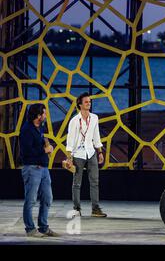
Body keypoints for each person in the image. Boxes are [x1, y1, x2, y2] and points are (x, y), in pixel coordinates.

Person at [19, 104, 59, 237]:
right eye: (44, 113)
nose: (46, 116)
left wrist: (48, 147)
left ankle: (43, 227)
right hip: (32, 168)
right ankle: (30, 229)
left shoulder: (39, 128)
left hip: (44, 170)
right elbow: (26, 152)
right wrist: (44, 150)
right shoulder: (26, 130)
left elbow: (41, 145)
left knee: (48, 198)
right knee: (30, 200)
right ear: (38, 116)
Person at [66, 93, 107, 217]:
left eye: (89, 102)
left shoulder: (94, 118)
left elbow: (96, 136)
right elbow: (70, 140)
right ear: (80, 105)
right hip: (78, 153)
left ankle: (95, 208)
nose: (89, 103)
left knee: (95, 181)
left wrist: (100, 151)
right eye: (86, 102)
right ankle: (76, 209)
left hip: (91, 152)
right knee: (77, 183)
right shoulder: (74, 121)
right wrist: (69, 157)